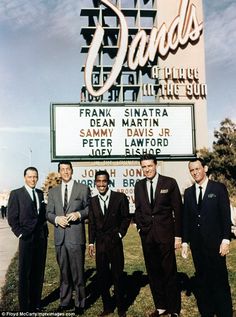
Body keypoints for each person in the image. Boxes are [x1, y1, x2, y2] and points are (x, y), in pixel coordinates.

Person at [182, 158, 233, 317]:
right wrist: (185, 242)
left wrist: (225, 240)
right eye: (192, 170)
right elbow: (186, 219)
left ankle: (224, 312)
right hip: (197, 246)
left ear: (205, 168)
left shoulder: (218, 188)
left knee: (219, 281)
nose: (195, 172)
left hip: (216, 245)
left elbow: (226, 216)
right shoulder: (189, 192)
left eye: (197, 168)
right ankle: (207, 311)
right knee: (202, 281)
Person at [134, 154, 182, 317]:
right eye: (144, 167)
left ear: (156, 165)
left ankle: (174, 309)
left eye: (149, 166)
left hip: (166, 235)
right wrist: (141, 229)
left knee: (169, 271)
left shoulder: (169, 182)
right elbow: (138, 210)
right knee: (153, 272)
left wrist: (178, 236)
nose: (147, 169)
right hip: (147, 236)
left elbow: (178, 210)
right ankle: (161, 306)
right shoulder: (139, 185)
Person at [46, 161, 90, 315]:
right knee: (64, 272)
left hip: (76, 237)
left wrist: (79, 214)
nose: (65, 172)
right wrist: (57, 219)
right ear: (59, 172)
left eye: (67, 169)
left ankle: (80, 303)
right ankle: (65, 302)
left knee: (78, 272)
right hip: (60, 238)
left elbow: (90, 208)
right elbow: (48, 213)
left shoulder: (83, 188)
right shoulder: (53, 192)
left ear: (72, 171)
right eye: (62, 170)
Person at [88, 170, 130, 317]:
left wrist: (119, 234)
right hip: (100, 244)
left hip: (115, 242)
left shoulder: (119, 198)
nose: (101, 184)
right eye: (98, 181)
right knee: (102, 276)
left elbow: (126, 218)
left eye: (104, 181)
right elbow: (92, 224)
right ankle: (107, 307)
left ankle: (121, 307)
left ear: (108, 181)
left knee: (118, 275)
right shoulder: (92, 201)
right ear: (95, 183)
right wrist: (91, 243)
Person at [7, 167, 48, 312]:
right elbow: (12, 218)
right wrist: (20, 234)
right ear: (24, 177)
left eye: (35, 177)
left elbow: (42, 215)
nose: (33, 179)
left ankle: (36, 303)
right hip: (26, 239)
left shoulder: (40, 193)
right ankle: (25, 306)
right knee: (25, 274)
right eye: (30, 177)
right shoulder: (16, 194)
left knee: (38, 272)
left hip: (41, 239)